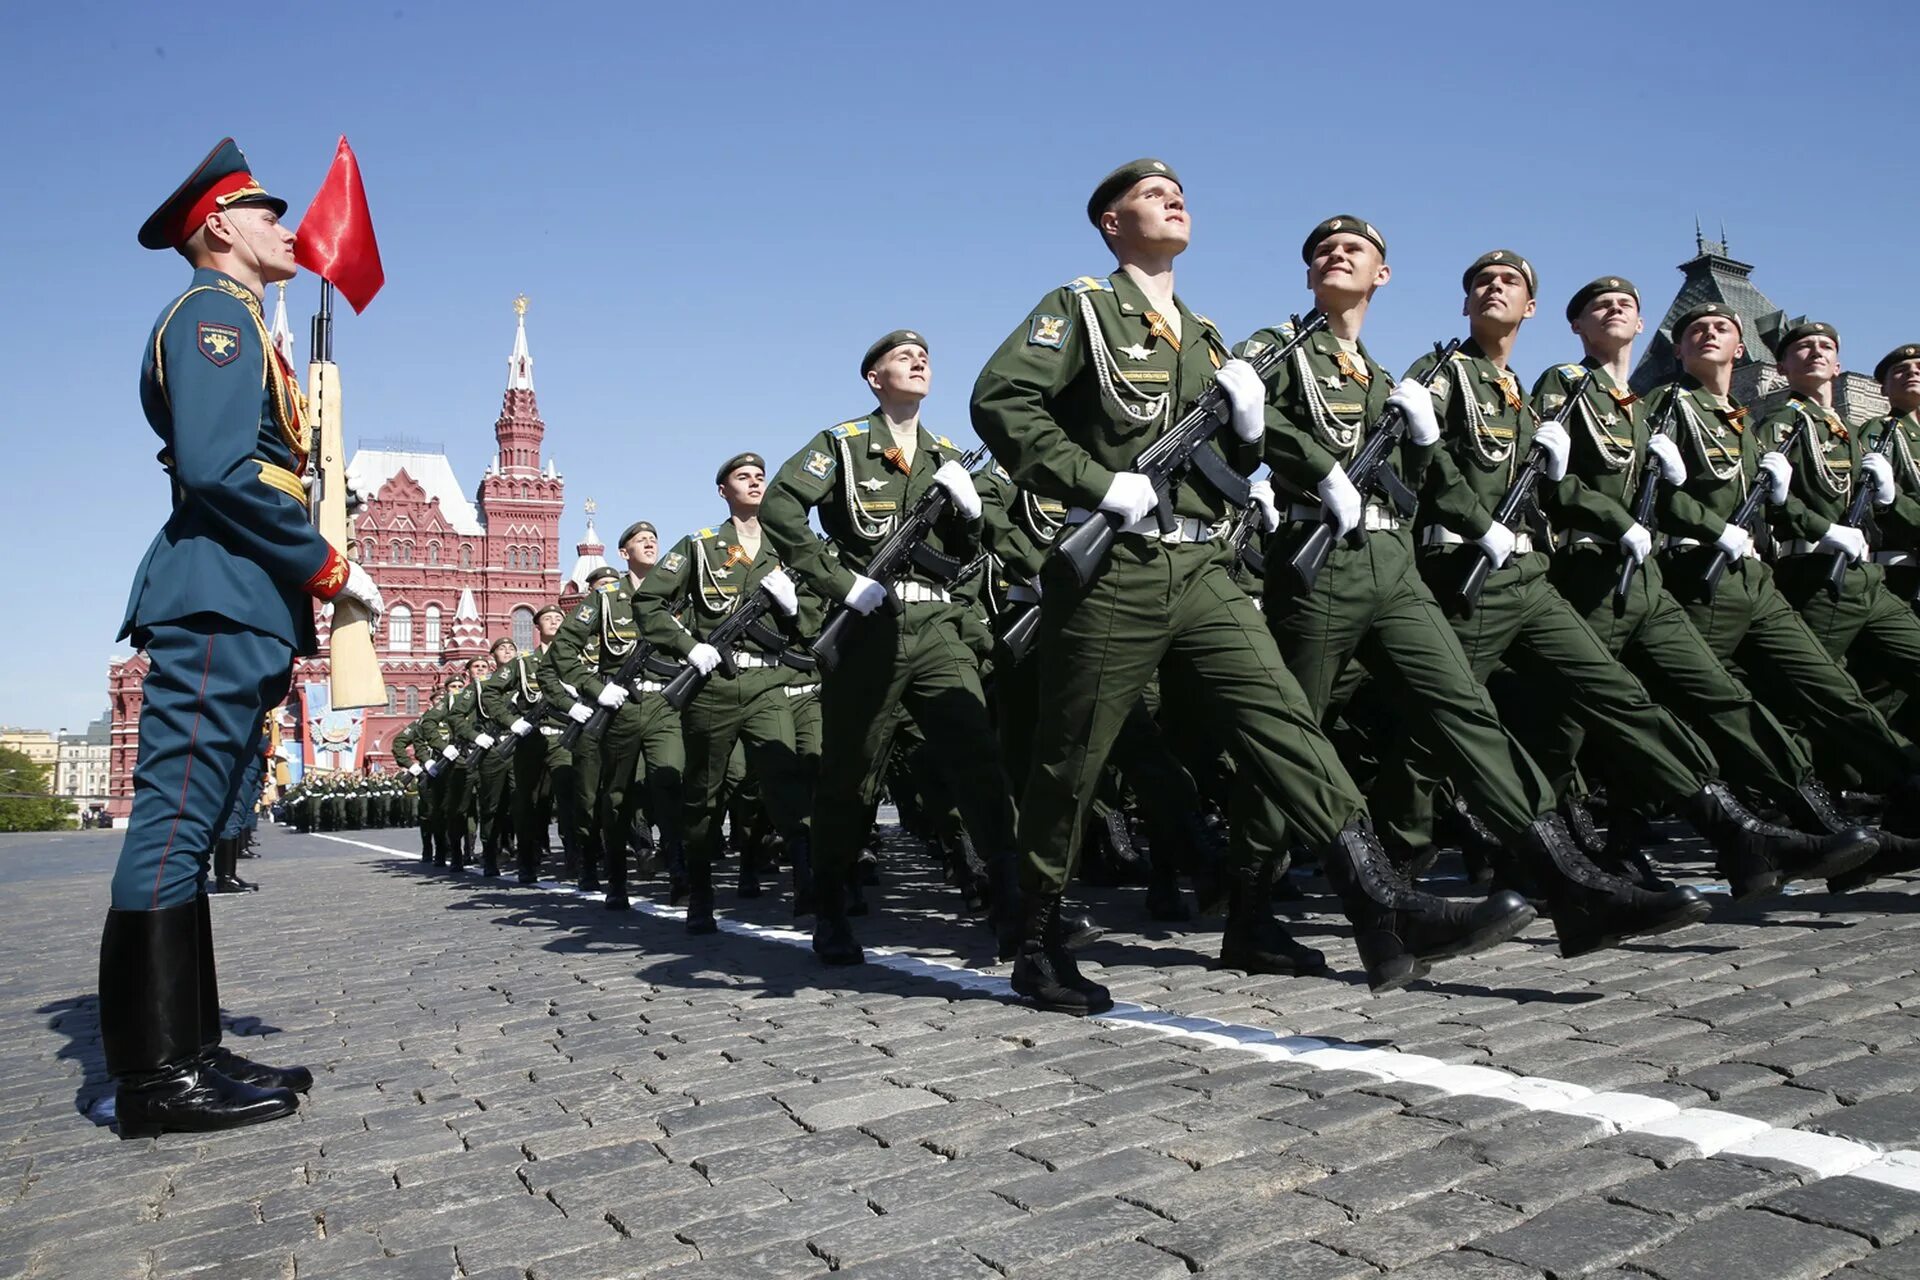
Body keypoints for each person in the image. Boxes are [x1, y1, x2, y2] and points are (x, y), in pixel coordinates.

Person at [970, 161, 1534, 1010]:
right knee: (1071, 760)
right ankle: (1040, 936)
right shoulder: (1081, 307)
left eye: (1178, 192)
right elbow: (1001, 400)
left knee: (1284, 723)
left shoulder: (1203, 336)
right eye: (1148, 195)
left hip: (1202, 564)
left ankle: (1382, 909)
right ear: (1112, 225)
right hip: (1117, 565)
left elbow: (1226, 465)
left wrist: (1242, 429)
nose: (1172, 197)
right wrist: (1092, 480)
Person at [102, 139, 384, 1137]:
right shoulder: (214, 316)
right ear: (221, 225)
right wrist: (330, 565)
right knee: (174, 827)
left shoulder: (244, 324)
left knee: (197, 821)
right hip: (218, 598)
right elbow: (223, 472)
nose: (289, 231)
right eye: (269, 215)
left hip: (242, 603)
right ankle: (153, 1074)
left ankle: (192, 1045)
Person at [1529, 283, 1885, 882]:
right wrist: (1669, 519)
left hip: (1670, 577)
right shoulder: (1590, 388)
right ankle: (1552, 846)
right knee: (1583, 714)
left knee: (1717, 698)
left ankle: (1797, 823)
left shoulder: (1672, 412)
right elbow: (1567, 486)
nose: (1710, 332)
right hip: (1615, 572)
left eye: (1723, 327)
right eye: (1599, 305)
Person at [764, 330, 1025, 967]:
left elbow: (967, 554)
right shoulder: (844, 445)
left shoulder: (946, 456)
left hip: (937, 623)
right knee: (853, 776)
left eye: (925, 356)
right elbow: (781, 506)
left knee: (978, 758)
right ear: (874, 378)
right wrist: (838, 582)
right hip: (870, 626)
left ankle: (1019, 907)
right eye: (901, 357)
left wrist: (968, 512)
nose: (918, 360)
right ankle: (829, 905)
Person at [636, 452, 819, 931]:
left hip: (769, 680)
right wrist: (687, 645)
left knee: (785, 778)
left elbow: (820, 611)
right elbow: (649, 601)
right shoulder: (699, 547)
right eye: (744, 477)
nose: (756, 482)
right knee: (705, 794)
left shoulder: (789, 542)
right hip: (713, 686)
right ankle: (699, 891)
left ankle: (807, 884)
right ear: (723, 491)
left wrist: (797, 605)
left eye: (761, 476)